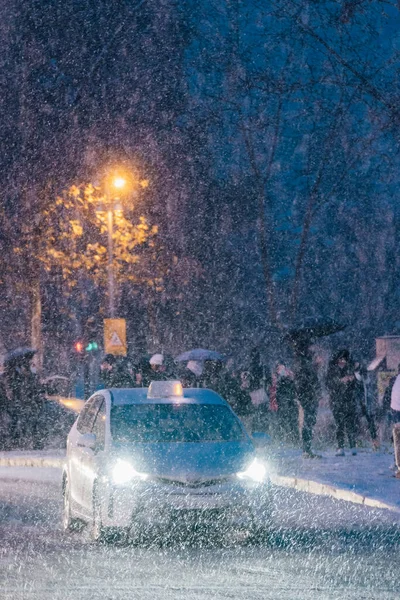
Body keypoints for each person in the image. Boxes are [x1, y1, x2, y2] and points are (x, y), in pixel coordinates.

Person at [326, 349, 358, 456]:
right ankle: (340, 447)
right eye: (341, 359)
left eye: (344, 359)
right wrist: (340, 381)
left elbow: (356, 385)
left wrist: (352, 379)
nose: (343, 361)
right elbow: (328, 384)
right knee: (339, 425)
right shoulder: (332, 370)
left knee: (351, 425)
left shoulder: (350, 368)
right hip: (337, 402)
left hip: (349, 401)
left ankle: (353, 446)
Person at [293, 341, 321, 458]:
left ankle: (307, 449)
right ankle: (306, 449)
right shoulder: (303, 362)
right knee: (308, 422)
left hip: (309, 395)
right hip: (307, 395)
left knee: (309, 421)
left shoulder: (303, 361)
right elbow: (305, 379)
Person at [354, 363, 379, 450]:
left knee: (369, 423)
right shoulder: (357, 379)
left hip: (366, 404)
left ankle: (374, 442)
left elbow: (371, 389)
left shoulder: (365, 379)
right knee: (359, 422)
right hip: (361, 403)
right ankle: (359, 441)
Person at [274, 362, 299, 445]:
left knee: (293, 423)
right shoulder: (276, 380)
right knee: (282, 423)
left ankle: (294, 441)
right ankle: (283, 441)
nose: (281, 371)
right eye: (279, 369)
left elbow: (294, 389)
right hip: (281, 405)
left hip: (290, 403)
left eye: (282, 368)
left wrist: (291, 378)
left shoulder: (289, 378)